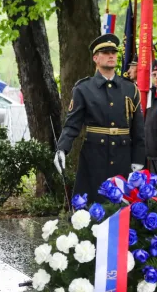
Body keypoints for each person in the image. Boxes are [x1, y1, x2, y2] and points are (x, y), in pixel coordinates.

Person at [54, 33, 145, 200]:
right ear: (96, 58)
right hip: (94, 156)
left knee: (122, 207)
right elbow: (72, 124)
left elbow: (138, 128)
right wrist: (62, 148)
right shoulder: (83, 88)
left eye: (114, 52)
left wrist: (138, 158)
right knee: (92, 205)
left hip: (122, 156)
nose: (111, 55)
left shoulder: (130, 89)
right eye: (105, 52)